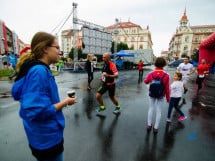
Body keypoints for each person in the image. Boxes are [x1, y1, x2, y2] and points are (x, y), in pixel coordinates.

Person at [11, 32, 77, 161]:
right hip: (47, 139)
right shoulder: (39, 71)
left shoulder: (37, 69)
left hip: (41, 137)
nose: (60, 51)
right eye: (57, 47)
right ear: (45, 49)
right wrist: (65, 102)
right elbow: (39, 111)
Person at [144, 57, 170, 134]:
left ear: (155, 64)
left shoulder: (151, 74)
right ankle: (156, 127)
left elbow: (145, 82)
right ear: (164, 65)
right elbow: (167, 88)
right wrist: (168, 98)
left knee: (151, 108)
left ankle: (149, 125)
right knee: (159, 110)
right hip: (161, 95)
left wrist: (150, 82)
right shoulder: (166, 75)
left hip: (152, 94)